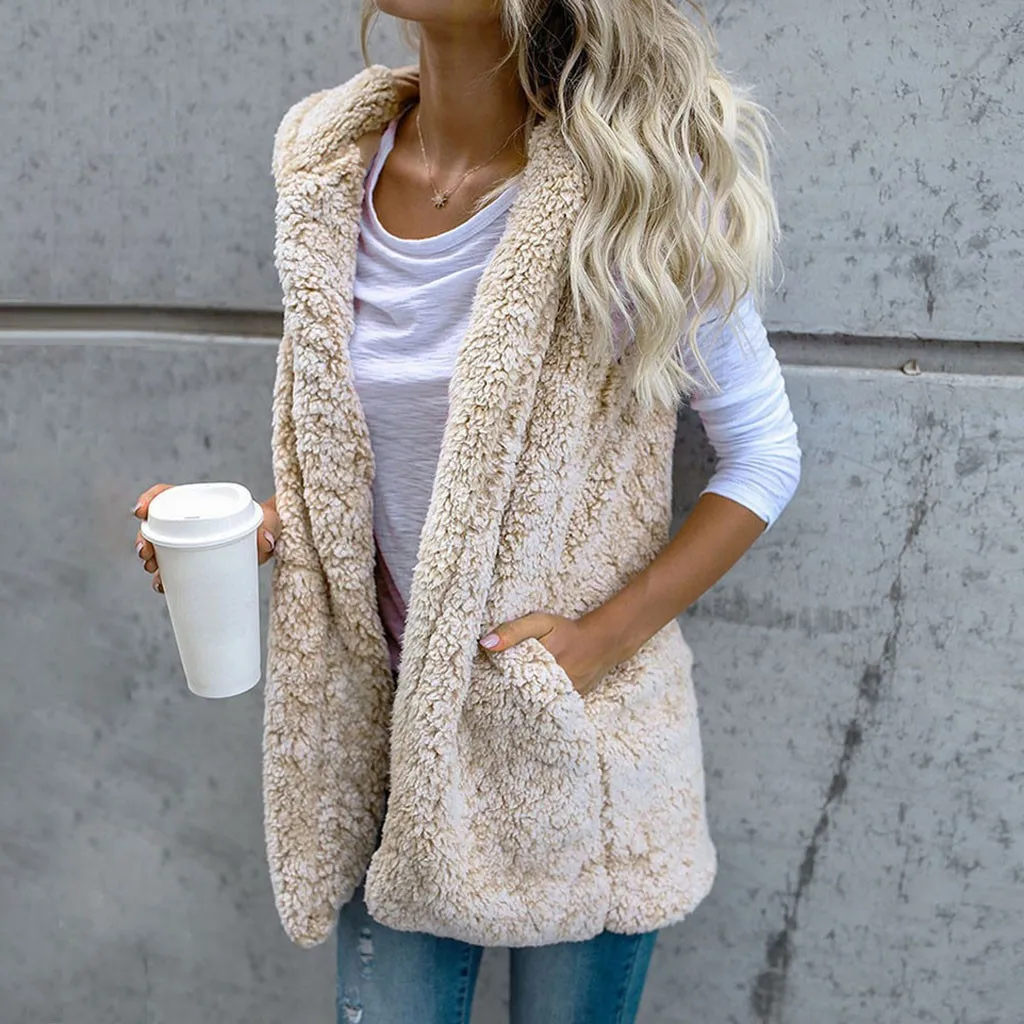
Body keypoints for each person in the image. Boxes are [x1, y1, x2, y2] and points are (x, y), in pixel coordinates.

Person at [133, 1, 801, 1020]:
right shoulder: (330, 171)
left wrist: (594, 644)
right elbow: (367, 460)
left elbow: (763, 457)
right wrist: (262, 526)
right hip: (395, 750)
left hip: (573, 745)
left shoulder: (630, 187)